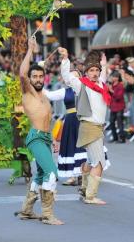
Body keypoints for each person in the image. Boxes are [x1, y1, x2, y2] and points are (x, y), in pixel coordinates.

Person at [15, 37, 63, 225]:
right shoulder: (28, 92)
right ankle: (47, 214)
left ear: (44, 78)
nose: (37, 79)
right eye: (34, 76)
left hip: (45, 138)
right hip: (35, 137)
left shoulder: (44, 96)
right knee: (51, 173)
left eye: (40, 76)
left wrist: (53, 141)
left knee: (41, 174)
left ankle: (26, 210)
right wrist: (30, 50)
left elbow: (47, 122)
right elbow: (21, 74)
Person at [59, 46, 111, 205]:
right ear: (86, 73)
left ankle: (83, 188)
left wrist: (103, 60)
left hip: (97, 128)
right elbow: (67, 77)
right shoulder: (82, 85)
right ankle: (90, 196)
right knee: (99, 163)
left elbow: (104, 71)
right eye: (91, 70)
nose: (95, 73)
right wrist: (66, 58)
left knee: (90, 160)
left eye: (97, 70)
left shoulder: (101, 85)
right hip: (89, 127)